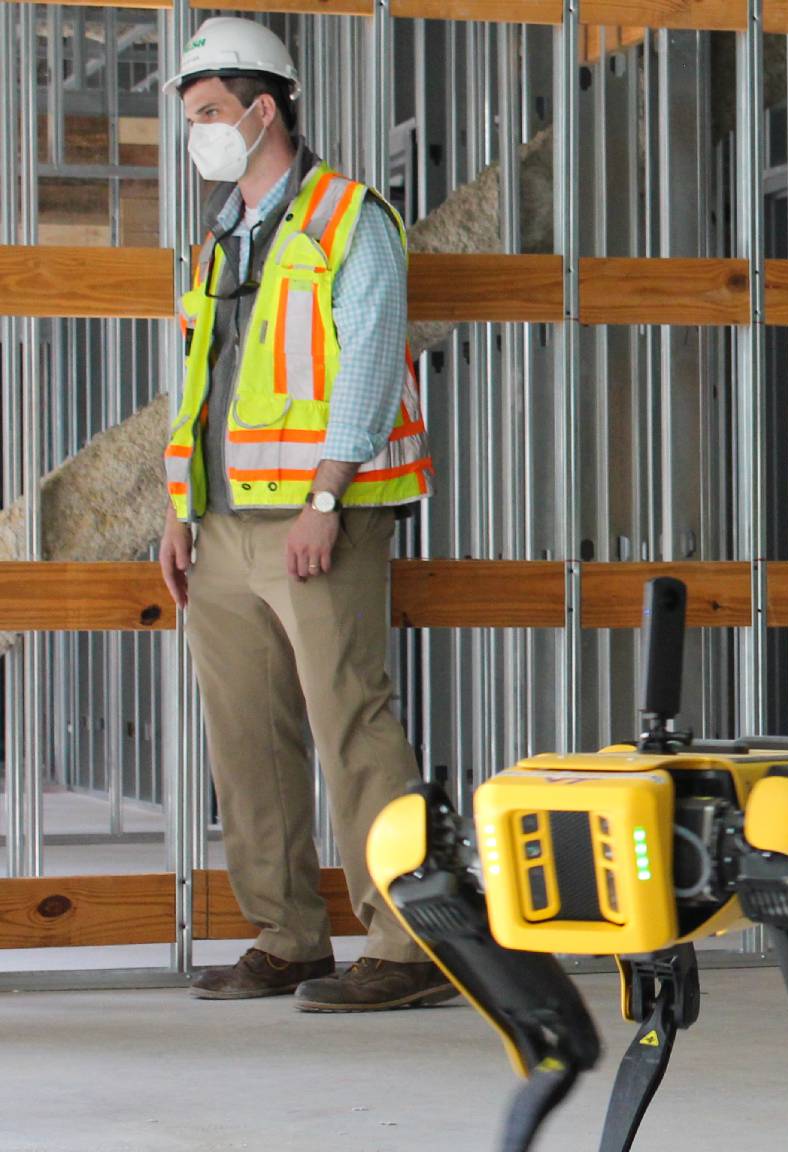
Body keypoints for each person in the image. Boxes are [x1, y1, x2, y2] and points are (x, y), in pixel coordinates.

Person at [155, 17, 450, 1012]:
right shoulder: (217, 240)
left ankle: (408, 947)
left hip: (322, 519)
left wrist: (324, 496)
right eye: (191, 116)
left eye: (207, 113)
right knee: (246, 734)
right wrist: (178, 511)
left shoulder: (345, 216)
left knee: (350, 723)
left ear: (262, 109)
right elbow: (199, 388)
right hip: (226, 528)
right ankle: (287, 935)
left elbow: (367, 361)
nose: (196, 133)